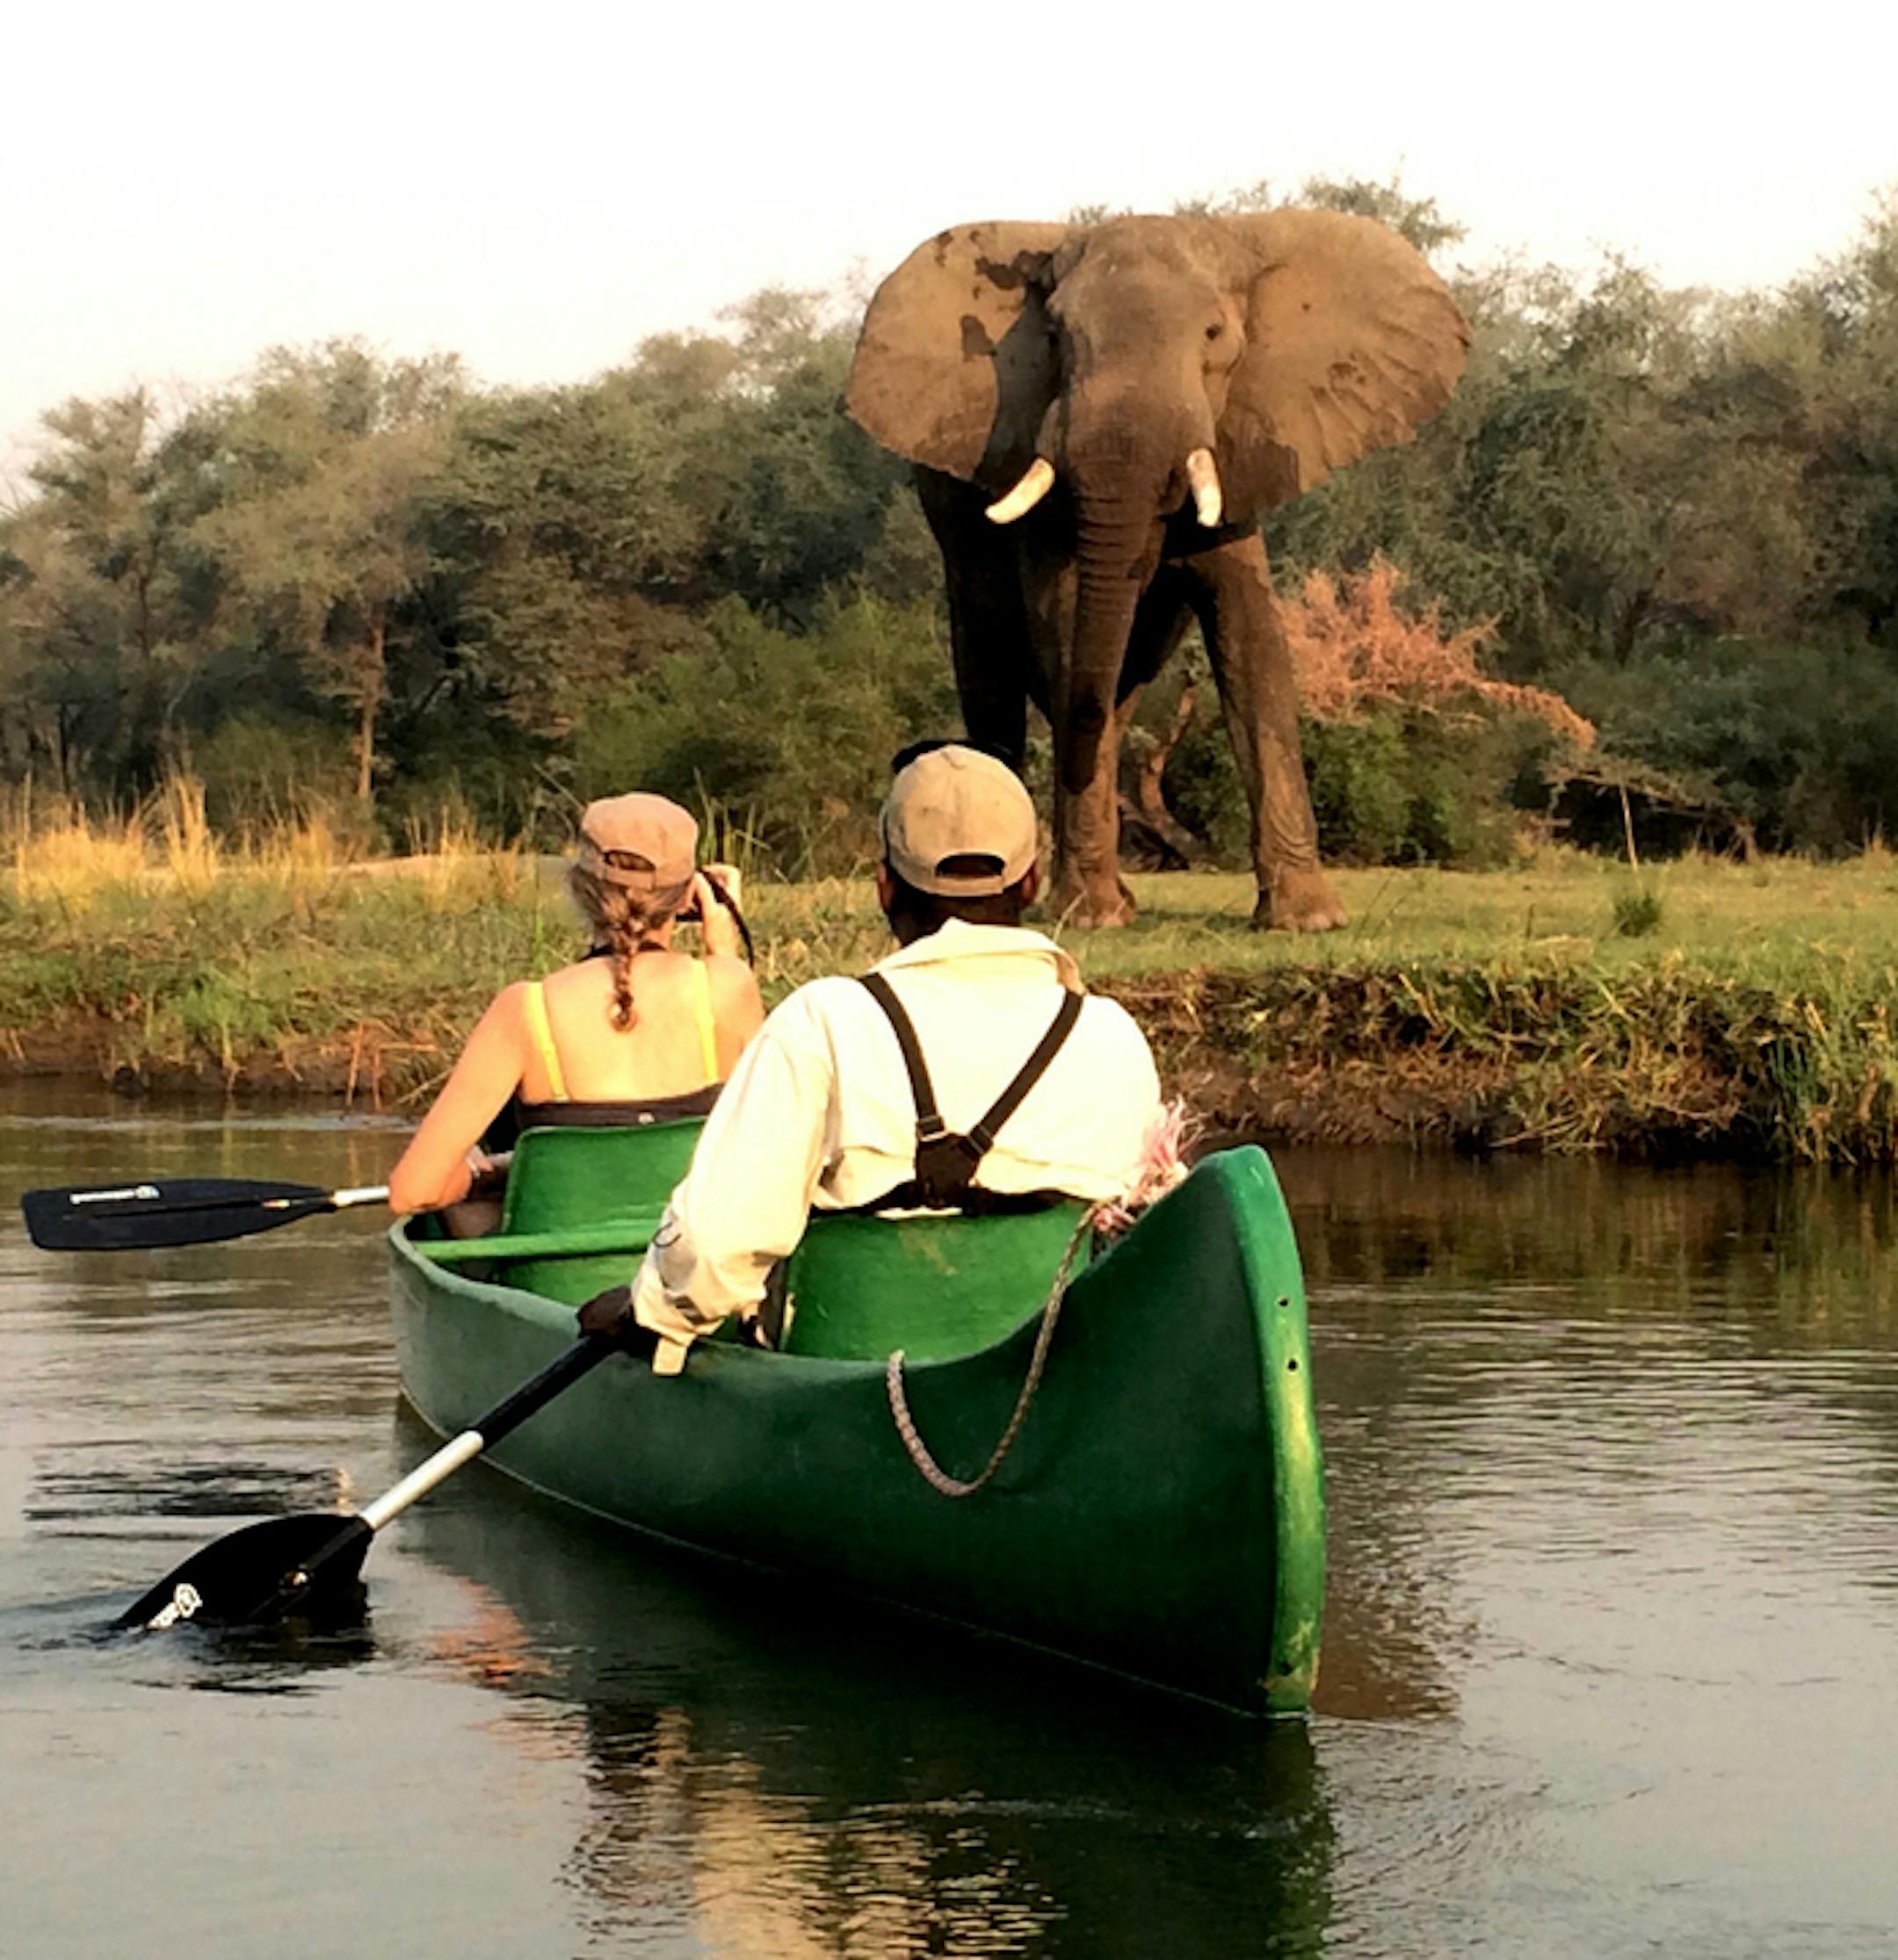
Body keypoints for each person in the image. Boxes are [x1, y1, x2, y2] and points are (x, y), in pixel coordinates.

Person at [586, 742, 1162, 1373]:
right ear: (1031, 881)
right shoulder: (1112, 1035)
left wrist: (650, 1310)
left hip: (843, 1396)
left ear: (884, 886)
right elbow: (1133, 1242)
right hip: (1050, 1392)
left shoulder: (823, 1022)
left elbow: (714, 1249)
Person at [388, 793, 764, 1216]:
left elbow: (413, 1191)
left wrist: (481, 1174)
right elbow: (767, 1140)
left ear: (579, 887)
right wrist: (723, 946)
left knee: (464, 1213)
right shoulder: (727, 986)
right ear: (687, 897)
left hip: (561, 1278)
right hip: (689, 1265)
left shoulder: (526, 1009)